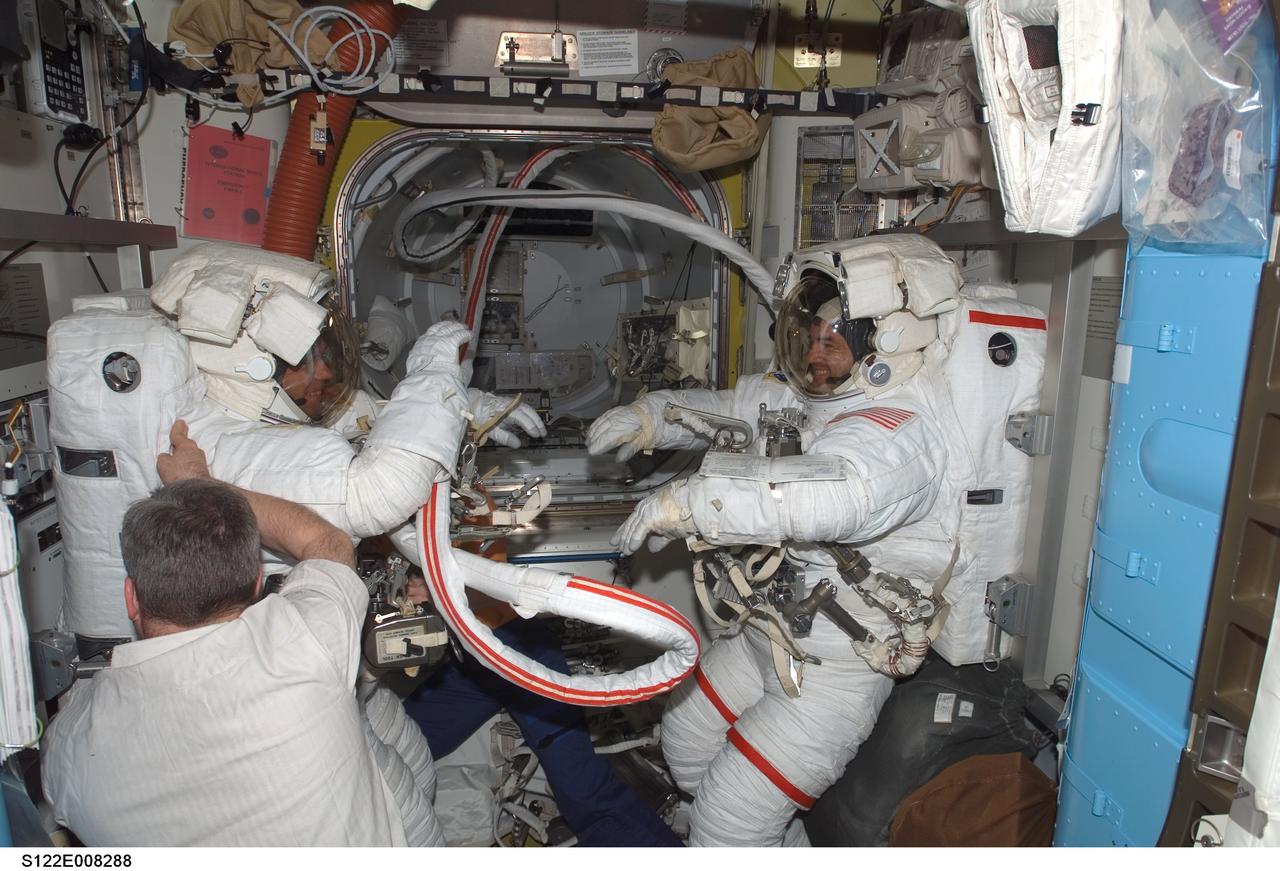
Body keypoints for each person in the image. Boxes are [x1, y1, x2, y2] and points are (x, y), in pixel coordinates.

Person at [586, 235, 1000, 846]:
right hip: (769, 634)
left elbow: (839, 494)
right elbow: (733, 410)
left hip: (833, 671)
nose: (814, 350)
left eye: (834, 337)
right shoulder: (811, 399)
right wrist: (654, 416)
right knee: (683, 740)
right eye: (809, 334)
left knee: (730, 820)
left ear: (884, 340)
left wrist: (692, 503)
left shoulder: (901, 428)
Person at [41, 422, 444, 846]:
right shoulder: (303, 643)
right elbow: (326, 540)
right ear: (257, 583)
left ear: (131, 598)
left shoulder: (69, 745)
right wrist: (200, 483)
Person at [399, 574, 683, 847]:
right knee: (399, 748)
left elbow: (489, 569)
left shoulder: (436, 529)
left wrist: (443, 589)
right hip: (472, 659)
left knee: (585, 794)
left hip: (518, 648)